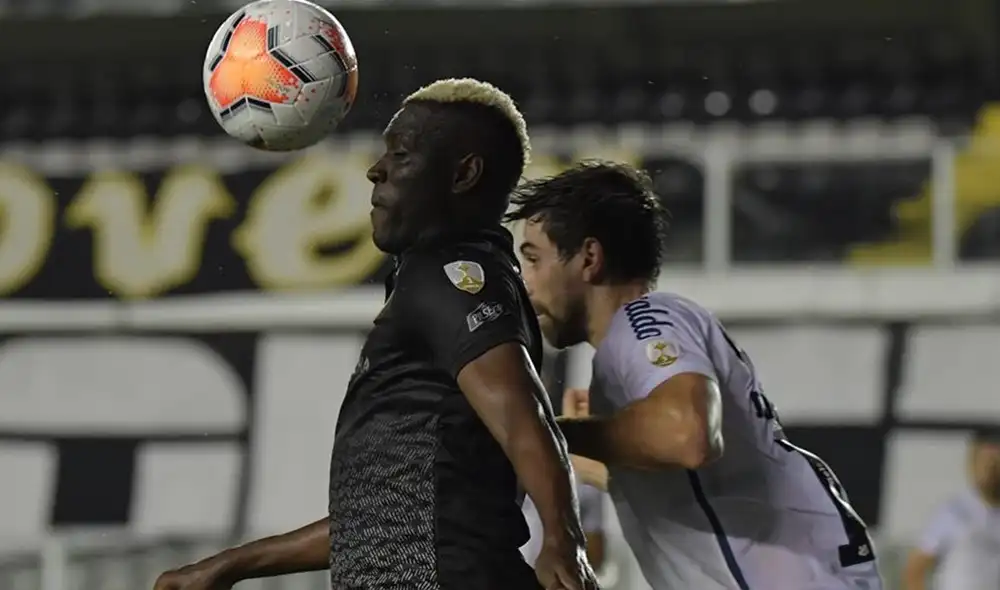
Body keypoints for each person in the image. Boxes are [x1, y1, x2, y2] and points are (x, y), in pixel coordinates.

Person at [153, 79, 598, 590]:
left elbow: (525, 417)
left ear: (464, 174)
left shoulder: (454, 275)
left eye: (401, 155)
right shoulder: (436, 286)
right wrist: (228, 565)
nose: (376, 170)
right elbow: (384, 522)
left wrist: (564, 542)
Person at [505, 160, 884, 590]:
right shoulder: (628, 352)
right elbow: (694, 486)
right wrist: (595, 448)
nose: (525, 282)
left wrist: (549, 434)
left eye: (533, 258)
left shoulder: (645, 320)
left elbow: (688, 435)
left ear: (589, 258)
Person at [902, 430, 1000, 590]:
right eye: (986, 462)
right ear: (973, 465)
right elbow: (916, 569)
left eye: (996, 462)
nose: (991, 470)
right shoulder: (953, 512)